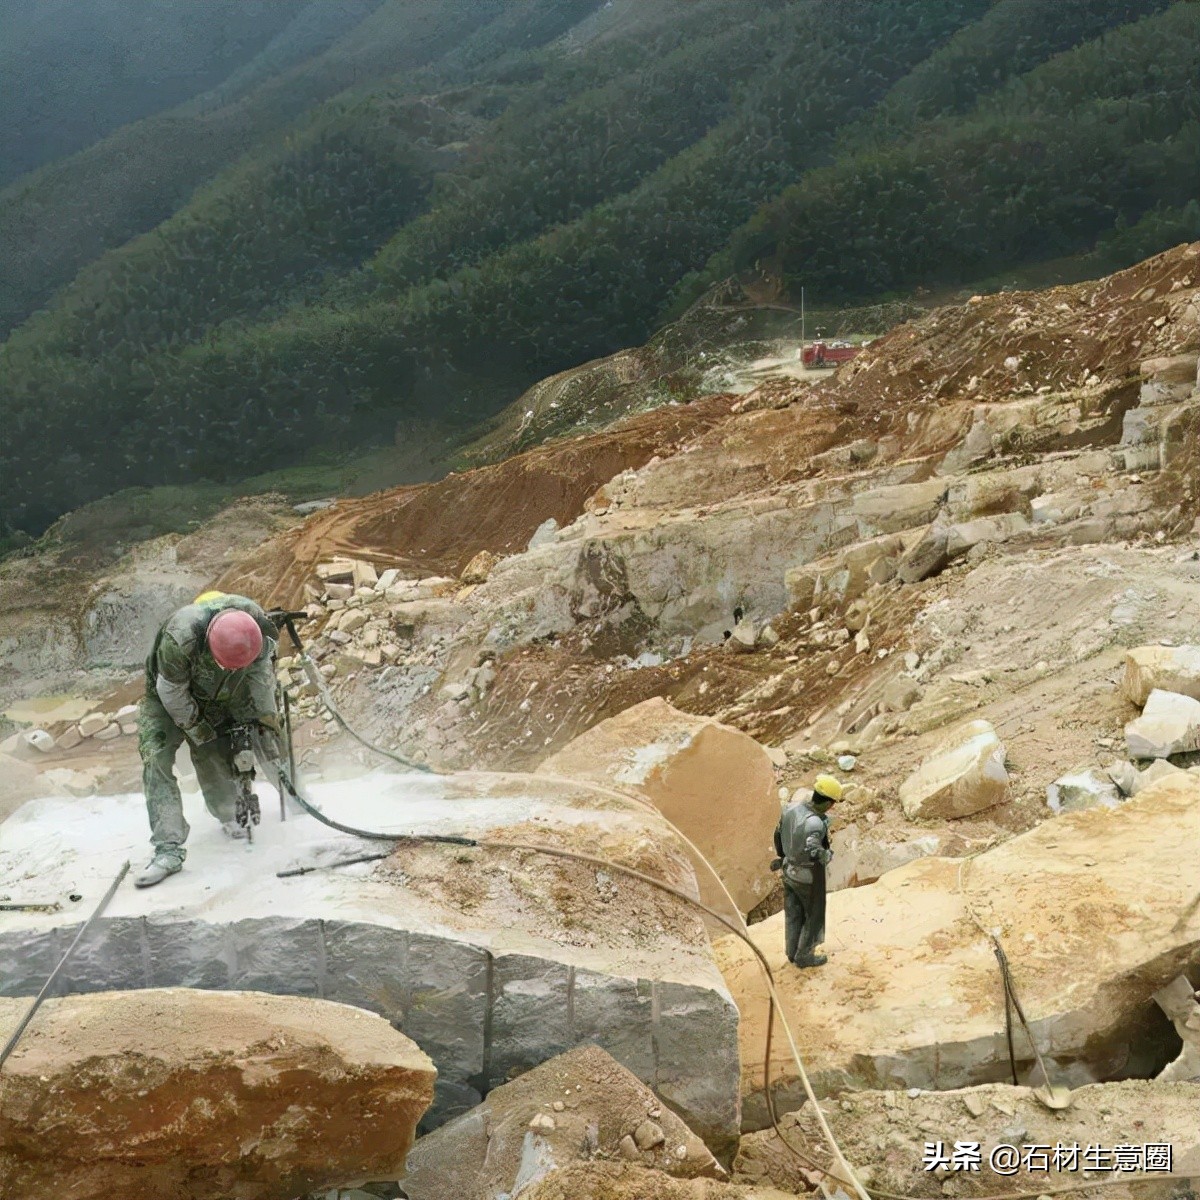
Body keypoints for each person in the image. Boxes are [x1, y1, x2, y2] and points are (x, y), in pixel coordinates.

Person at [134, 591, 281, 888]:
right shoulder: (181, 638)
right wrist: (199, 730)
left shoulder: (259, 628)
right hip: (167, 695)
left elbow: (261, 676)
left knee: (219, 750)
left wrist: (265, 719)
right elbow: (172, 694)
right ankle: (168, 851)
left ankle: (230, 811)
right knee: (157, 757)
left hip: (221, 690)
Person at [772, 774, 842, 968]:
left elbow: (777, 834)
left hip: (788, 870)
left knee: (793, 913)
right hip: (808, 876)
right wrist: (826, 855)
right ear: (828, 803)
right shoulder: (815, 824)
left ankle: (792, 951)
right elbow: (814, 849)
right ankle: (805, 955)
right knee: (813, 916)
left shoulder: (790, 809)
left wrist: (782, 856)